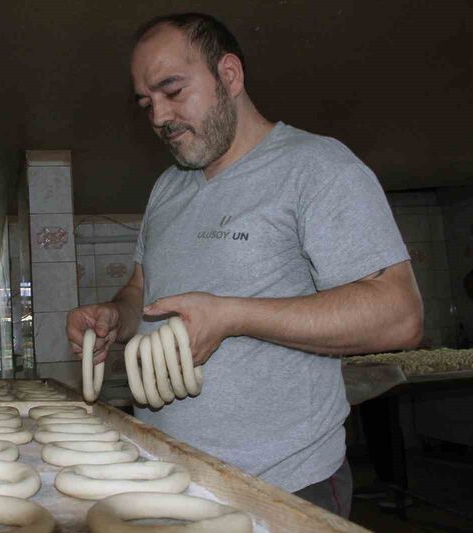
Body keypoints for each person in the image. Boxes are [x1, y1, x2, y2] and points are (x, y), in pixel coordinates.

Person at [66, 13, 423, 518]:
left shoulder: (317, 167)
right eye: (147, 103)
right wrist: (112, 318)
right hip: (167, 474)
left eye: (172, 91)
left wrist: (233, 316)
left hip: (282, 487)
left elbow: (399, 315)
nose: (159, 118)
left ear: (229, 76)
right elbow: (141, 291)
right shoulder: (168, 187)